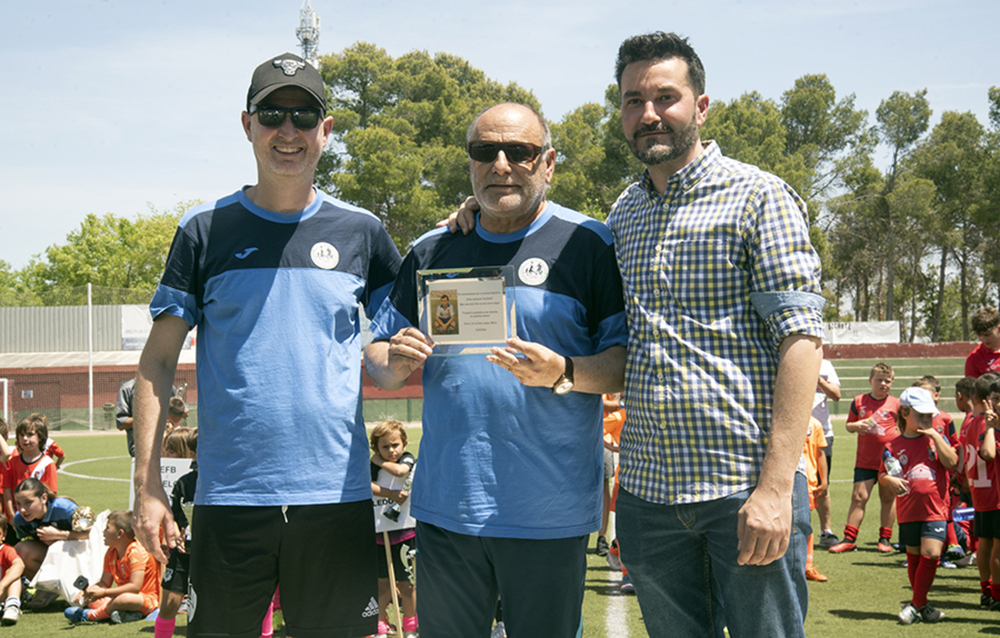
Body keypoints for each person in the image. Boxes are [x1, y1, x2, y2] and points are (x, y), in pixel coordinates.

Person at [131, 52, 401, 638]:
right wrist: (147, 484)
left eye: (304, 117)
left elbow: (387, 354)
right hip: (231, 498)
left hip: (336, 497)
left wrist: (397, 359)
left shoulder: (363, 232)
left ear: (325, 131)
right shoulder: (203, 229)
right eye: (272, 113)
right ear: (247, 123)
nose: (288, 131)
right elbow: (156, 360)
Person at [365, 102, 627, 637]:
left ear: (548, 162)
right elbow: (377, 355)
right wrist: (390, 361)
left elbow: (625, 365)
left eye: (520, 152)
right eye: (485, 152)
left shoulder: (588, 244)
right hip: (445, 511)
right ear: (470, 164)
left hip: (548, 513)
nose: (501, 164)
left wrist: (566, 371)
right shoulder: (433, 248)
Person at [605, 32, 824, 638]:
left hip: (743, 487)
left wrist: (776, 488)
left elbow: (801, 340)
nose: (648, 113)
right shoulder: (622, 214)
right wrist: (473, 220)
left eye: (665, 97)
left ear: (700, 107)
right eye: (632, 100)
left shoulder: (760, 196)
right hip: (649, 496)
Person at [880, 387, 958, 624]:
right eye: (920, 415)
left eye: (929, 415)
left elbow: (952, 462)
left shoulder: (937, 440)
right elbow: (884, 474)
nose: (926, 420)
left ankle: (914, 605)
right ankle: (921, 606)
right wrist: (889, 479)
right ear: (904, 413)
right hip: (908, 510)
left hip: (936, 510)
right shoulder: (892, 446)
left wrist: (936, 437)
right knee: (914, 556)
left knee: (932, 554)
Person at [830, 363, 900, 554]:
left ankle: (885, 538)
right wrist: (856, 425)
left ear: (892, 383)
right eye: (879, 380)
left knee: (887, 498)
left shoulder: (896, 404)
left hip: (888, 461)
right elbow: (848, 426)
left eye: (888, 380)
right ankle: (849, 539)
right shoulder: (859, 401)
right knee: (858, 497)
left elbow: (904, 430)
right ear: (870, 381)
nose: (883, 384)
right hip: (865, 460)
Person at [64, 510, 161, 624]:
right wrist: (91, 590)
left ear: (120, 534)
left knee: (123, 599)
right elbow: (105, 583)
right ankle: (128, 614)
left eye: (107, 528)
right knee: (94, 601)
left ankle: (92, 615)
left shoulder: (136, 552)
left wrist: (104, 593)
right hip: (122, 596)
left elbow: (135, 587)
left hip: (144, 599)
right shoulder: (111, 552)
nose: (103, 531)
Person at [369, 420, 417, 638]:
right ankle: (379, 629)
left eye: (395, 445)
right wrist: (390, 495)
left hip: (406, 531)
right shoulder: (371, 466)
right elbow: (366, 484)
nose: (391, 451)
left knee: (407, 586)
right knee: (382, 586)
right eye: (385, 447)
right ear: (376, 448)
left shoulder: (407, 459)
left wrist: (378, 460)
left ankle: (410, 629)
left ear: (404, 443)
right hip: (380, 531)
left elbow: (399, 471)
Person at [12, 478, 88, 602]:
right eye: (18, 503)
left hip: (78, 556)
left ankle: (82, 586)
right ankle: (49, 589)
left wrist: (60, 535)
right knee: (20, 550)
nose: (22, 509)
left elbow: (91, 534)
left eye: (28, 503)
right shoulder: (20, 519)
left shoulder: (65, 508)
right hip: (51, 555)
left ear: (44, 498)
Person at [960, 373, 1000, 607]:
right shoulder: (988, 424)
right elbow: (988, 453)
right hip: (994, 492)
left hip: (980, 489)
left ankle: (987, 589)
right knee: (995, 543)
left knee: (985, 541)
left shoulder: (972, 422)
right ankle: (995, 593)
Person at [154, 429, 197, 638]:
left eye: (171, 451)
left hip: (214, 550)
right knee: (170, 602)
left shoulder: (223, 480)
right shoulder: (183, 483)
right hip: (183, 549)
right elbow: (172, 514)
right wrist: (175, 539)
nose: (166, 456)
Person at [813, 360, 841, 548]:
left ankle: (826, 532)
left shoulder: (825, 365)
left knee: (823, 483)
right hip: (795, 431)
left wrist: (817, 379)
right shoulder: (789, 359)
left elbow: (836, 395)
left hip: (822, 432)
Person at [801, 417, 828, 582]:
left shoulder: (815, 423)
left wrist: (824, 479)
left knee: (806, 525)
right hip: (786, 481)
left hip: (808, 482)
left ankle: (807, 567)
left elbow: (820, 453)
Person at [0, 514, 24, 625]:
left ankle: (11, 606)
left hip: (3, 592)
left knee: (13, 572)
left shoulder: (6, 550)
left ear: (3, 535)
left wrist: (2, 585)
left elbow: (19, 565)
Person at [967, 307, 1000, 378]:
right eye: (979, 335)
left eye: (987, 334)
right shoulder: (974, 359)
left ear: (999, 328)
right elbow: (972, 388)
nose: (983, 339)